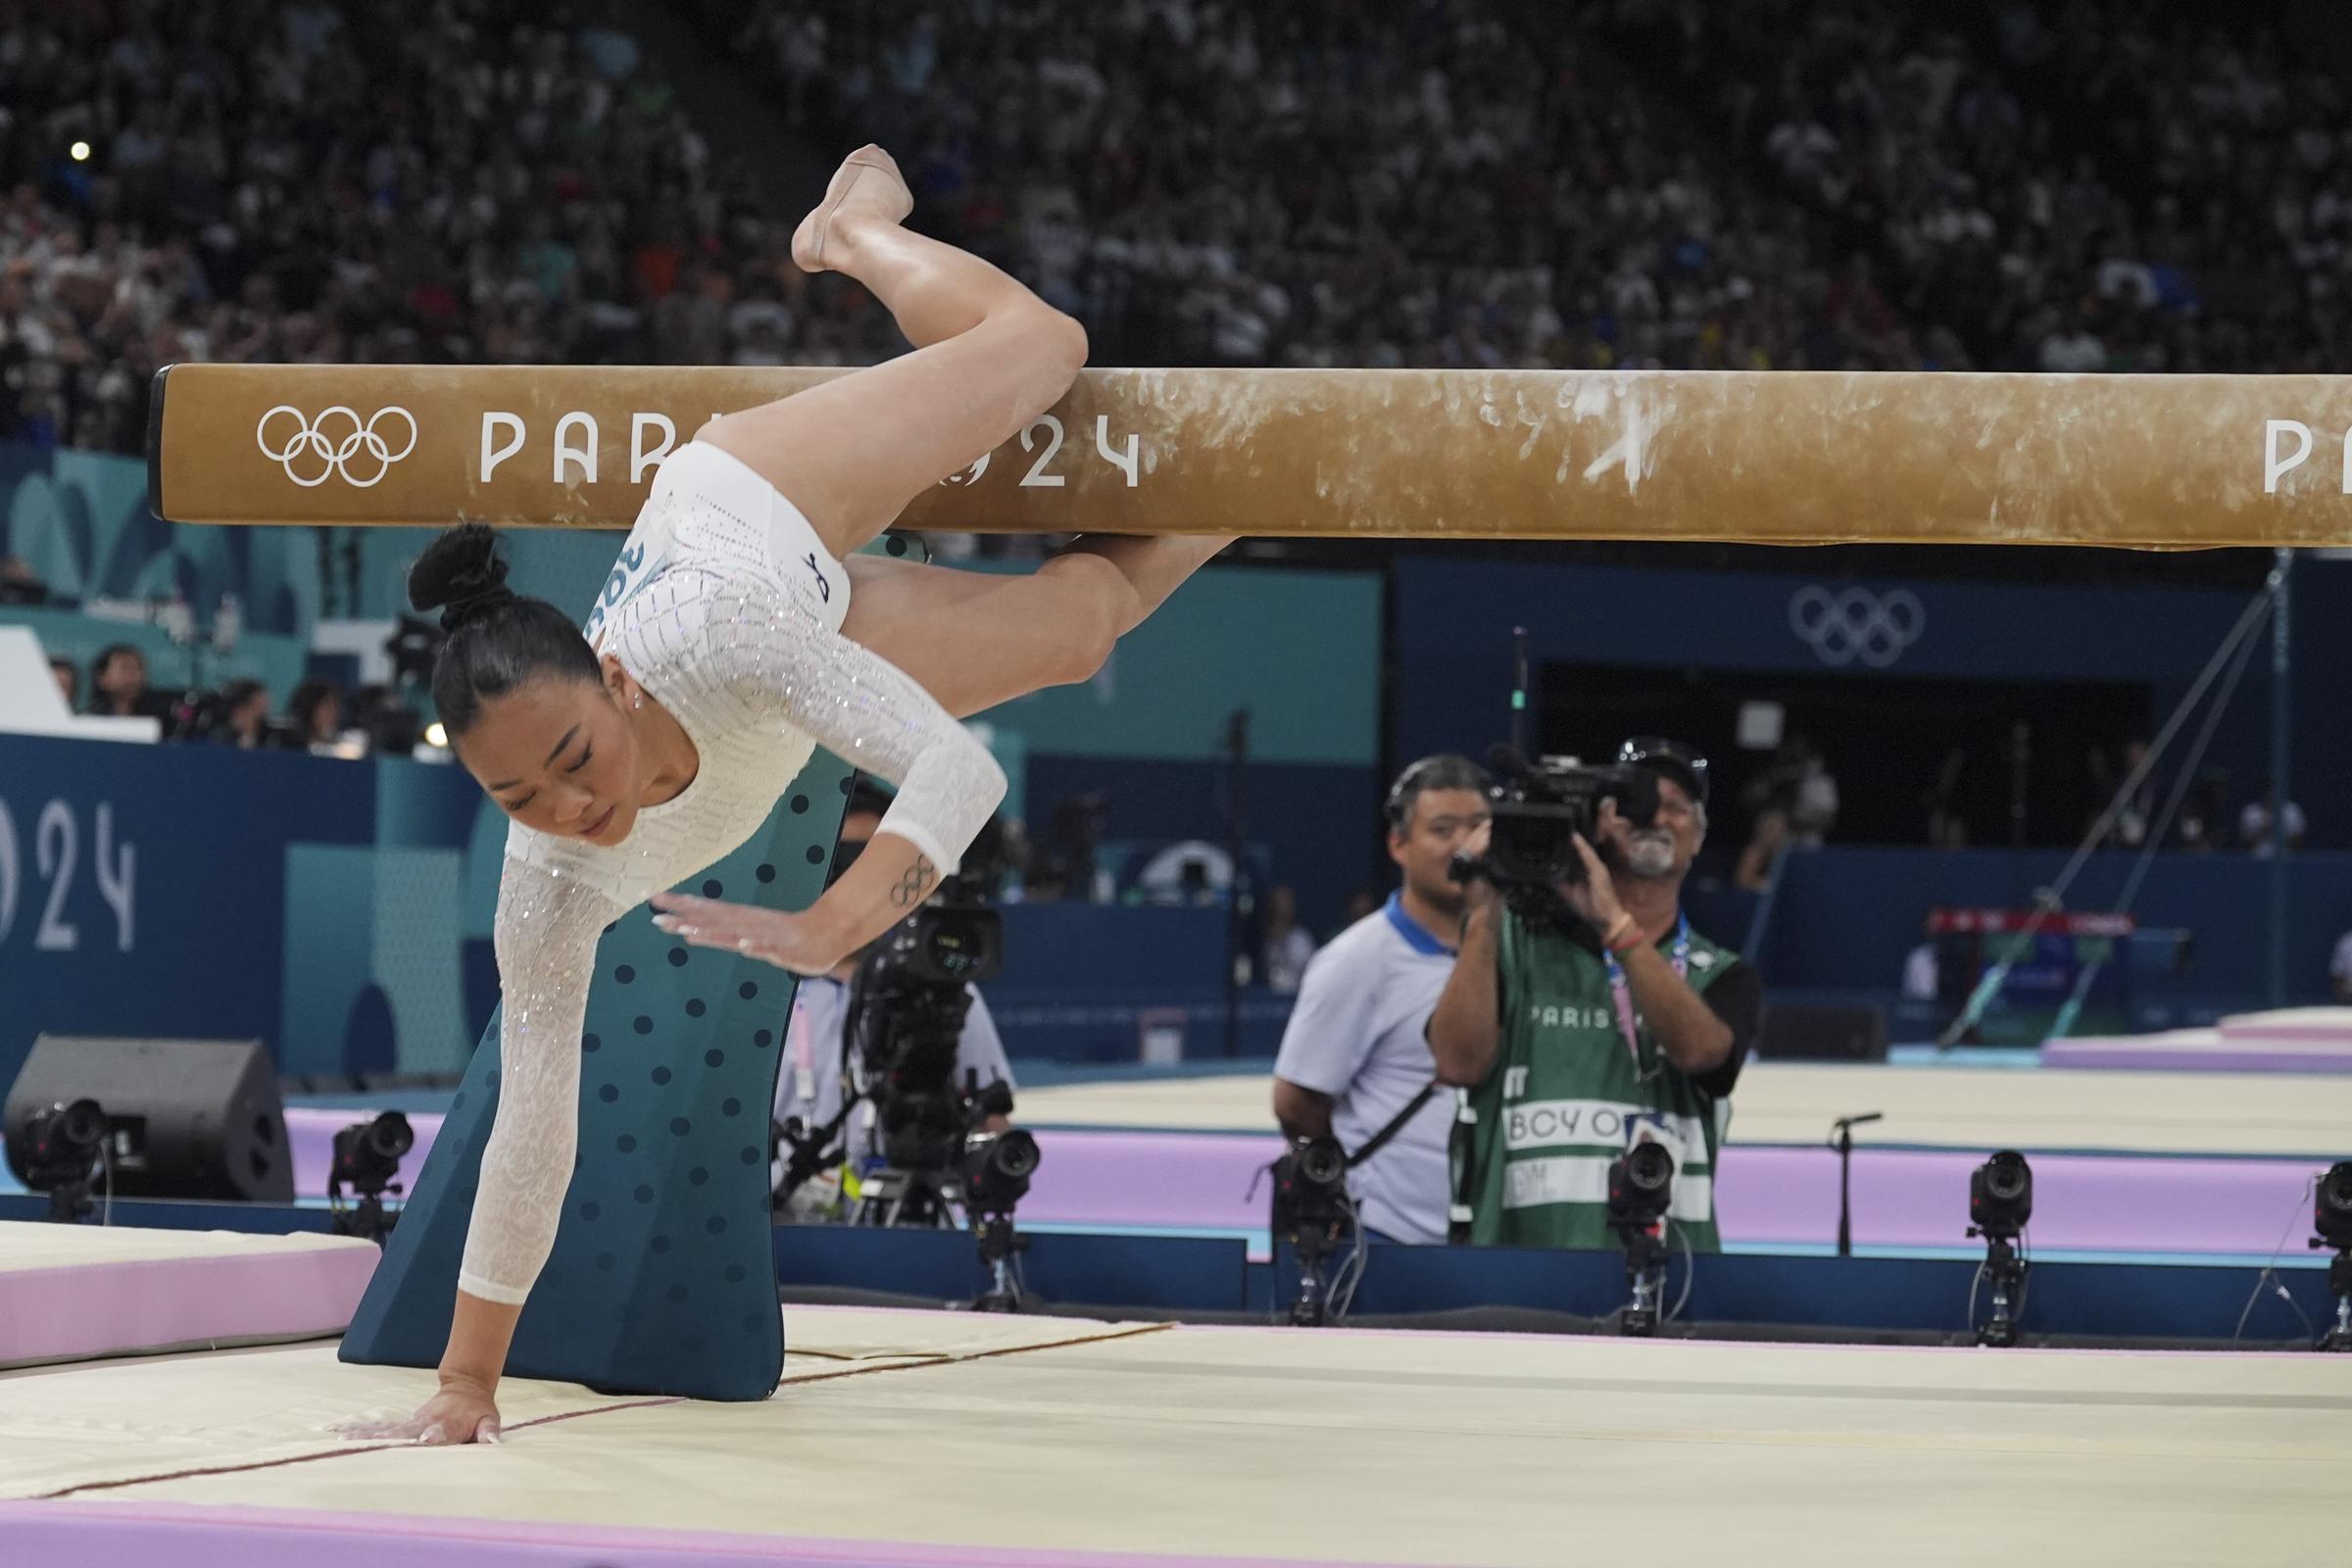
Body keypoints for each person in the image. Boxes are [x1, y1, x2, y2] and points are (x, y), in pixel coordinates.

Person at [346, 145, 1230, 1447]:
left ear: (615, 676)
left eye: (575, 761)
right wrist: (468, 1382)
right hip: (811, 625)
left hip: (759, 508)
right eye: (514, 795)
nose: (565, 811)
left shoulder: (714, 639)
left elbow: (956, 768)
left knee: (1044, 343)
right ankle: (1235, 504)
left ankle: (852, 229)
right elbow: (535, 1130)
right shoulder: (545, 889)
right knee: (1080, 630)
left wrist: (836, 927)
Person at [1430, 739, 1760, 1253]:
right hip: (1523, 1266)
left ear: (1698, 839)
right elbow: (1455, 1063)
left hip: (1671, 1266)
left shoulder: (1720, 973)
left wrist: (1616, 926)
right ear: (1597, 825)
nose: (1654, 816)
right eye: (1633, 805)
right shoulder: (1514, 945)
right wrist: (1482, 916)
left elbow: (1704, 1055)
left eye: (1676, 807)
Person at [772, 779, 1016, 1220]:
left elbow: (992, 1122)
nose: (854, 885)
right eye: (839, 864)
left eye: (872, 866)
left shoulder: (943, 991)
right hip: (781, 1235)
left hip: (912, 1227)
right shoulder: (762, 993)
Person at [1272, 756, 1488, 1246]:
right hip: (1388, 1238)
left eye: (1478, 827)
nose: (1464, 846)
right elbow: (1295, 1103)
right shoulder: (1358, 960)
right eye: (1442, 829)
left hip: (1493, 1242)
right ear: (1399, 844)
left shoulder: (1516, 950)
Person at [89, 644, 172, 723]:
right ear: (102, 678)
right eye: (125, 668)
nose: (135, 676)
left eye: (139, 668)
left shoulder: (160, 722)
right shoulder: (89, 720)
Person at [1259, 884, 1317, 995]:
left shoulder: (1301, 938)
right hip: (1266, 997)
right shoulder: (1261, 939)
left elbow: (1312, 972)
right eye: (1278, 903)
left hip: (1297, 995)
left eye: (1286, 903)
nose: (1282, 908)